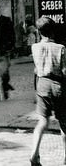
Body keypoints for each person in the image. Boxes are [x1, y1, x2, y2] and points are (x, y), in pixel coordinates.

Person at [29, 16, 66, 166]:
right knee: (64, 122)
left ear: (39, 32)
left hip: (42, 84)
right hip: (58, 84)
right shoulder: (61, 48)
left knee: (42, 120)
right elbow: (64, 71)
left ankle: (34, 153)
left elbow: (36, 70)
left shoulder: (35, 47)